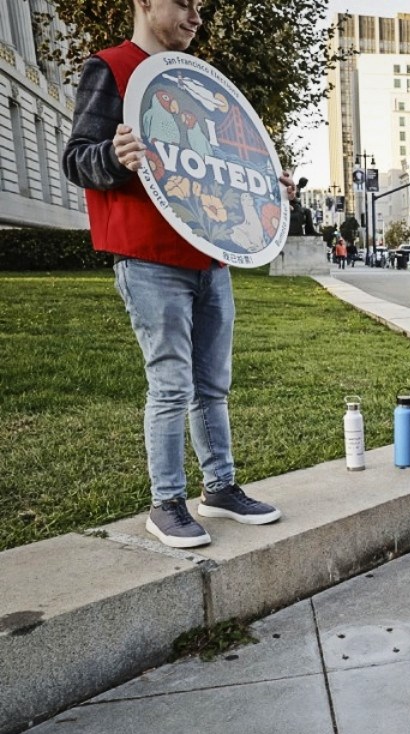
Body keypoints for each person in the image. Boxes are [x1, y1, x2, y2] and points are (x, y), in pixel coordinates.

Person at [61, 0, 288, 549]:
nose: (197, 17)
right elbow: (76, 159)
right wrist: (113, 157)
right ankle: (166, 503)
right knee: (170, 384)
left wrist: (266, 189)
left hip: (210, 255)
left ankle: (220, 486)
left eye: (203, 8)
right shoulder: (111, 67)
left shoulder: (196, 82)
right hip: (149, 257)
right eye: (185, 3)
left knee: (212, 384)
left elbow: (221, 163)